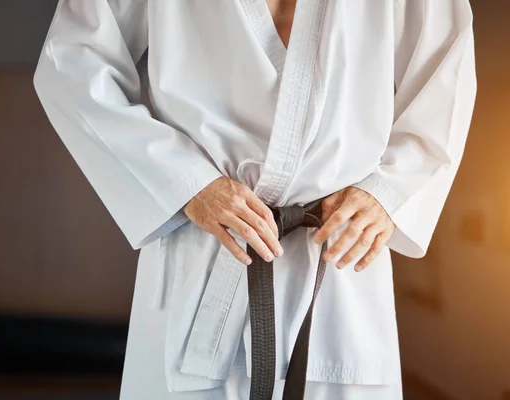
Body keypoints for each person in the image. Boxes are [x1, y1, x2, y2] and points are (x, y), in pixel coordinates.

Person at [33, 0, 477, 398]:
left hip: (336, 266)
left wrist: (389, 191)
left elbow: (447, 66)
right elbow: (70, 61)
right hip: (206, 254)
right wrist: (188, 183)